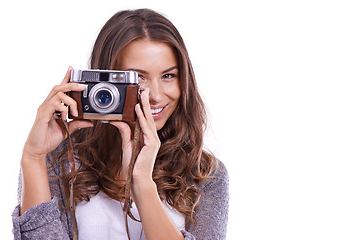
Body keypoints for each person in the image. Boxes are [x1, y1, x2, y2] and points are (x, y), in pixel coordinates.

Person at [12, 8, 229, 240]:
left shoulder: (205, 174)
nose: (155, 95)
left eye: (168, 76)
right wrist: (33, 157)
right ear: (105, 79)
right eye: (138, 78)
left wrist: (142, 183)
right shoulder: (59, 162)